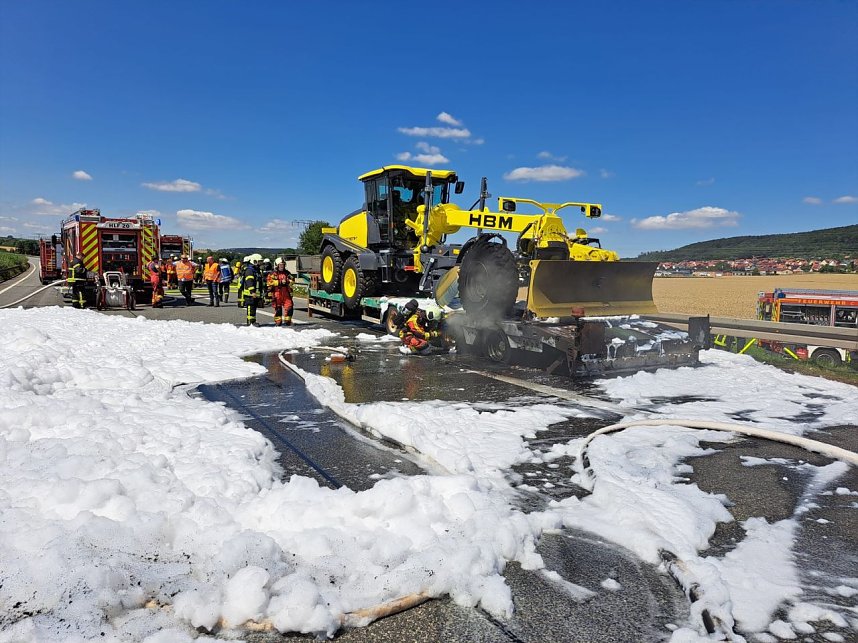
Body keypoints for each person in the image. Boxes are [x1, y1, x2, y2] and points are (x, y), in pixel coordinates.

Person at [267, 257, 293, 326]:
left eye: (283, 265)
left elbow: (292, 280)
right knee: (278, 309)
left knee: (289, 307)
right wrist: (280, 282)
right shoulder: (272, 273)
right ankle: (278, 321)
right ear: (277, 265)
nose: (282, 266)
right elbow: (269, 282)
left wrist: (288, 281)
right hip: (277, 293)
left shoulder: (287, 273)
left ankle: (288, 321)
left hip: (286, 293)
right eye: (280, 265)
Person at [241, 255, 262, 326]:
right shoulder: (250, 270)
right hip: (250, 293)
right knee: (251, 307)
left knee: (253, 307)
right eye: (259, 261)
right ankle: (250, 322)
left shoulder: (255, 270)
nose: (260, 263)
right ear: (254, 261)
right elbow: (249, 281)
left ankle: (253, 321)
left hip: (254, 293)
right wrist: (252, 292)